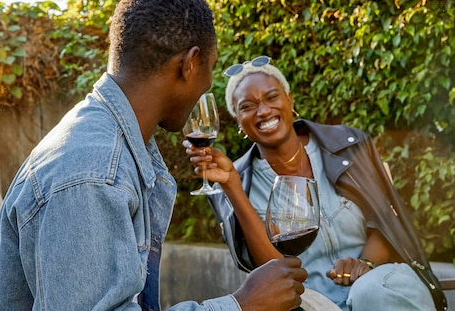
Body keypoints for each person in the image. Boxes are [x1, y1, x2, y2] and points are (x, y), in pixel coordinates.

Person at [0, 0, 308, 311]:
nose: (208, 86)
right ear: (190, 64)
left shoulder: (117, 143)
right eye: (211, 68)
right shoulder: (93, 172)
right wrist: (241, 305)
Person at [184, 56, 447, 311]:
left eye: (272, 97)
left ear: (290, 100)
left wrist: (365, 263)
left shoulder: (347, 144)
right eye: (247, 106)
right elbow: (275, 273)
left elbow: (385, 216)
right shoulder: (237, 180)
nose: (263, 111)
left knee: (372, 291)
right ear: (239, 122)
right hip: (312, 302)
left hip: (381, 286)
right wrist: (232, 186)